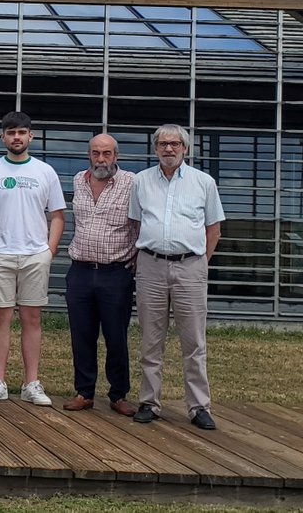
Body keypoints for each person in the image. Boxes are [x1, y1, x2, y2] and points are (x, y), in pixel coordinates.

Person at [129, 124, 225, 431]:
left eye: (175, 144)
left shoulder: (203, 182)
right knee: (150, 339)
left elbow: (214, 229)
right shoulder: (141, 181)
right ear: (155, 148)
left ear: (185, 148)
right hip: (151, 266)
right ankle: (149, 402)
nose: (169, 149)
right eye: (163, 144)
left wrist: (200, 264)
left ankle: (199, 407)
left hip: (190, 267)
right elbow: (135, 223)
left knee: (194, 341)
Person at [0, 111, 65, 406]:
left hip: (34, 255)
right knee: (0, 318)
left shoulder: (45, 171)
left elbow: (57, 216)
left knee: (32, 318)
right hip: (0, 253)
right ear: (3, 137)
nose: (17, 137)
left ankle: (31, 383)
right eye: (11, 132)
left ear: (31, 136)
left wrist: (48, 253)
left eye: (22, 132)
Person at [63, 134, 139, 416]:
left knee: (116, 336)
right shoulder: (77, 182)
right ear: (89, 155)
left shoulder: (131, 183)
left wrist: (138, 259)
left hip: (115, 272)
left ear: (116, 156)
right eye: (96, 153)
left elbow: (141, 223)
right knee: (81, 335)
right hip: (80, 271)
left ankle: (118, 394)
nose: (101, 159)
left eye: (107, 154)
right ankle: (85, 392)